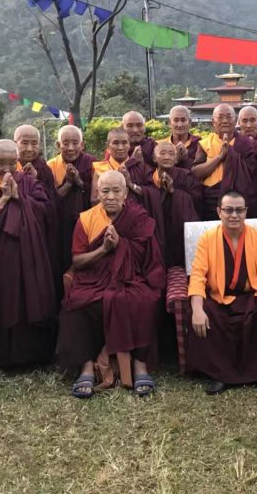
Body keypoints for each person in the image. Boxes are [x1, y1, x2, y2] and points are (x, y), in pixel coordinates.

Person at [57, 170, 166, 398]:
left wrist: (122, 245)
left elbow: (148, 258)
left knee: (143, 300)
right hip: (94, 279)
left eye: (116, 190)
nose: (111, 196)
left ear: (126, 193)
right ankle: (86, 367)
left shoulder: (138, 217)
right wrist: (104, 250)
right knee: (76, 304)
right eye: (105, 191)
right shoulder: (86, 219)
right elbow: (77, 260)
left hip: (132, 277)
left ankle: (139, 365)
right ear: (98, 193)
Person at [188, 191, 257, 395]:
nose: (234, 215)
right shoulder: (207, 239)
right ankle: (219, 373)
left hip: (251, 295)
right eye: (228, 210)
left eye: (239, 210)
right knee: (206, 313)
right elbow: (198, 275)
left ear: (246, 212)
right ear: (219, 212)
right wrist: (197, 308)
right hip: (220, 296)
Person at [0, 140, 57, 368]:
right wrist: (4, 199)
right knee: (2, 301)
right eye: (1, 162)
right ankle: (4, 355)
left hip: (29, 255)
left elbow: (47, 212)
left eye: (12, 163)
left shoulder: (30, 183)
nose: (8, 168)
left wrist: (21, 198)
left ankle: (35, 354)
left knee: (29, 299)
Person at [192, 103, 257, 220]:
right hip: (212, 202)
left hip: (240, 200)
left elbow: (254, 177)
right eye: (220, 117)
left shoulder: (249, 145)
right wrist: (219, 157)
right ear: (213, 122)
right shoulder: (206, 144)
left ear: (236, 121)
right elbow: (196, 172)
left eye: (229, 117)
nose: (225, 121)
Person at [144, 140, 202, 267]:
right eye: (162, 153)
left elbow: (197, 200)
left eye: (171, 154)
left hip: (178, 226)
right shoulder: (147, 177)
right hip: (156, 225)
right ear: (154, 158)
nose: (167, 156)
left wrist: (173, 192)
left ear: (176, 158)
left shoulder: (186, 176)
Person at [47, 125, 96, 273]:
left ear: (82, 145)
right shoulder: (50, 166)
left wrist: (79, 181)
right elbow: (49, 200)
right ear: (58, 145)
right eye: (65, 143)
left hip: (87, 222)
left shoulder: (92, 162)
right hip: (60, 224)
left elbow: (97, 195)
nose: (70, 148)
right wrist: (68, 183)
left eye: (75, 143)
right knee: (61, 260)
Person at [91, 128, 131, 203]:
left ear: (129, 144)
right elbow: (93, 200)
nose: (120, 147)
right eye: (115, 143)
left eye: (124, 143)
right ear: (107, 146)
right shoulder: (100, 169)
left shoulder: (137, 167)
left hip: (134, 213)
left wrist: (130, 184)